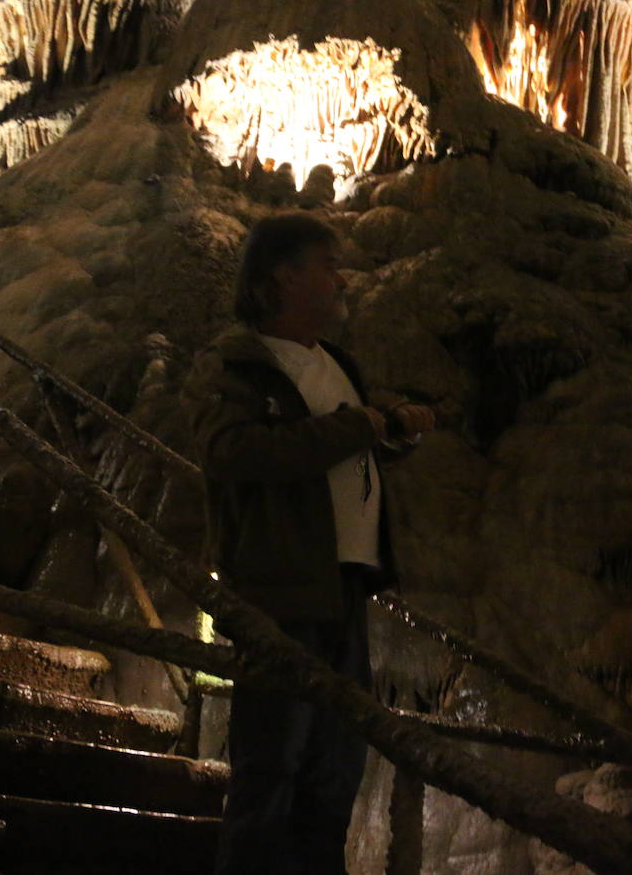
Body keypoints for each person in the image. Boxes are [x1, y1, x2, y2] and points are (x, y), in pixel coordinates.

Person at [183, 213, 435, 875]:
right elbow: (228, 451)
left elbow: (348, 448)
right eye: (327, 265)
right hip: (278, 589)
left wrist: (393, 432)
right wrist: (355, 429)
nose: (340, 279)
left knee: (335, 767)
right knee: (272, 765)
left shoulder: (338, 365)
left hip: (345, 586)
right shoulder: (236, 365)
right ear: (282, 275)